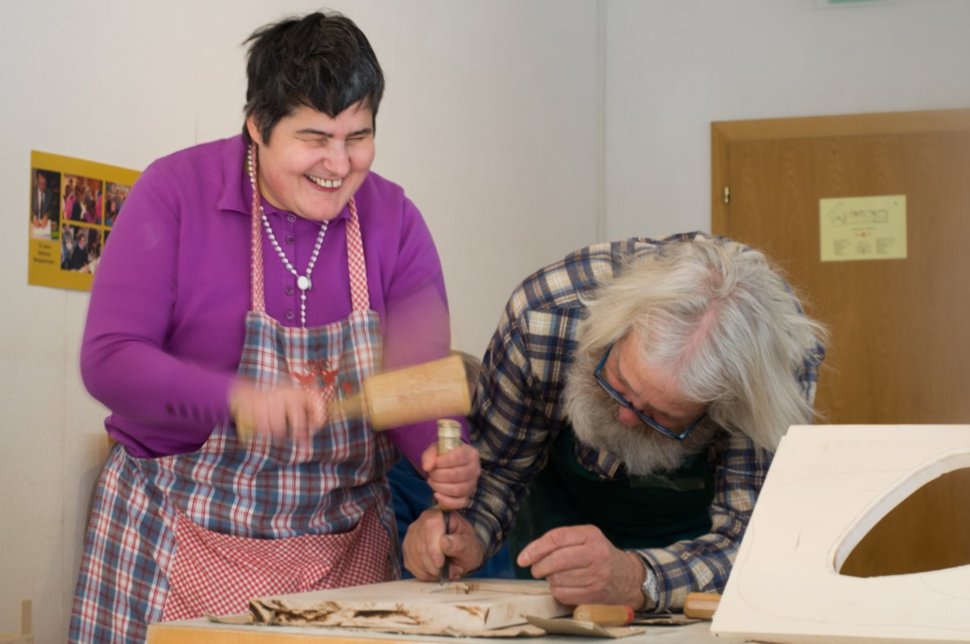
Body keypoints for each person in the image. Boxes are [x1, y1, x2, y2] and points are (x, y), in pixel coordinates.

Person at [70, 11, 478, 642]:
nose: (339, 164)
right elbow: (111, 359)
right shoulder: (176, 192)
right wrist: (234, 398)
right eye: (314, 137)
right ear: (258, 125)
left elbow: (418, 383)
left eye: (358, 136)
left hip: (347, 560)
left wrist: (439, 455)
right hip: (179, 542)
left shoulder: (394, 221)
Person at [403, 232, 827, 613]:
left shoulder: (773, 367)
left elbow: (752, 540)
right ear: (611, 332)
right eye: (619, 383)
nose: (626, 416)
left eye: (660, 417)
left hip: (699, 540)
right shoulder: (544, 316)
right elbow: (498, 469)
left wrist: (637, 578)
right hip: (562, 516)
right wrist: (467, 533)